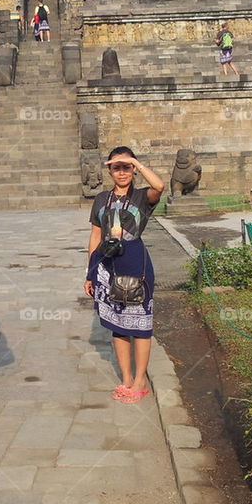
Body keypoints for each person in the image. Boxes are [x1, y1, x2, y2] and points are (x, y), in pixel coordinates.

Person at [83, 146, 164, 404]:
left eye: (126, 167)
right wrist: (90, 272)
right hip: (107, 265)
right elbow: (96, 235)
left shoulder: (141, 197)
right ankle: (126, 378)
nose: (121, 172)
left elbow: (159, 186)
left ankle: (140, 380)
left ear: (133, 169)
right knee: (118, 326)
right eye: (116, 167)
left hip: (135, 263)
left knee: (140, 325)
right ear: (109, 170)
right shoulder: (101, 199)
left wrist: (136, 163)